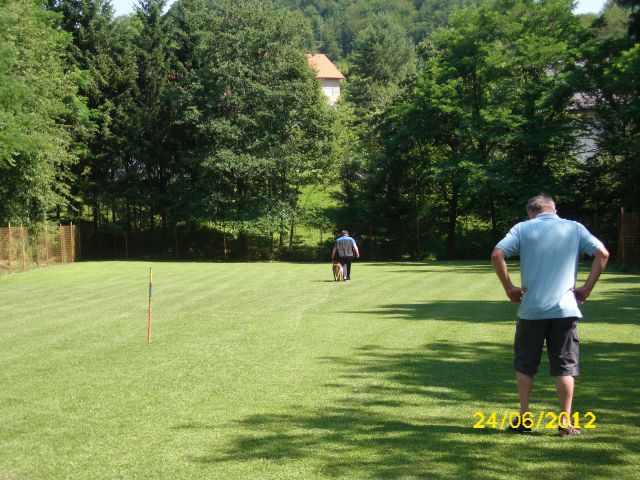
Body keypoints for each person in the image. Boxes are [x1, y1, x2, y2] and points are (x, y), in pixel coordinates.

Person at [491, 194, 609, 437]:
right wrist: (586, 288)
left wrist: (509, 288)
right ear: (553, 210)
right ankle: (565, 423)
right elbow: (603, 254)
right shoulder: (574, 228)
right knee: (564, 366)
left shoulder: (523, 228)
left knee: (525, 364)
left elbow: (497, 254)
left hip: (531, 310)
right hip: (564, 310)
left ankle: (524, 419)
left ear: (531, 211)